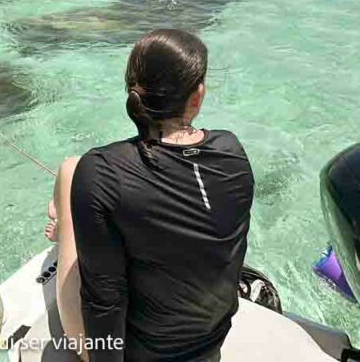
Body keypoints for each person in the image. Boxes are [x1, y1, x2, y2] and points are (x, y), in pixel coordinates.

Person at [46, 29, 254, 362]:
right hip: (209, 345)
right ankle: (65, 224)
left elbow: (105, 302)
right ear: (197, 96)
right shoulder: (232, 151)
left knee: (69, 169)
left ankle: (63, 228)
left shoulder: (101, 170)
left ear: (132, 93)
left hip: (132, 353)